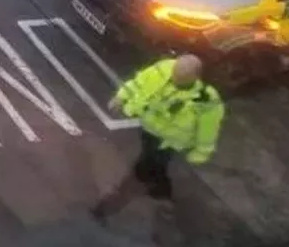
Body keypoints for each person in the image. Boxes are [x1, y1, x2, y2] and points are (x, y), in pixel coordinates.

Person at [91, 54, 225, 222]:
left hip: (168, 142)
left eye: (181, 79)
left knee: (141, 171)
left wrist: (201, 152)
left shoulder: (207, 100)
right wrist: (121, 96)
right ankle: (161, 190)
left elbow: (208, 130)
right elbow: (139, 82)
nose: (174, 79)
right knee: (156, 165)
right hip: (149, 130)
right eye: (175, 74)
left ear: (196, 77)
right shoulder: (164, 68)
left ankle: (108, 206)